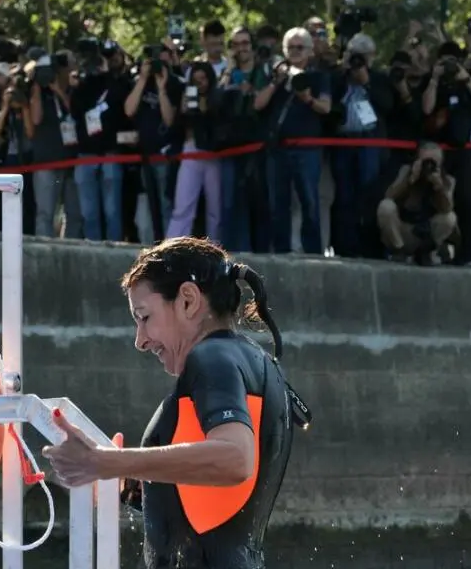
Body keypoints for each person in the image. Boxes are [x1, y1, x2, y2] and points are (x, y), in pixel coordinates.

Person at [43, 236, 310, 569]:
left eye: (144, 317)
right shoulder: (254, 362)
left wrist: (107, 461)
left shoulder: (212, 358)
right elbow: (203, 503)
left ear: (187, 300)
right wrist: (120, 482)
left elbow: (236, 460)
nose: (140, 341)